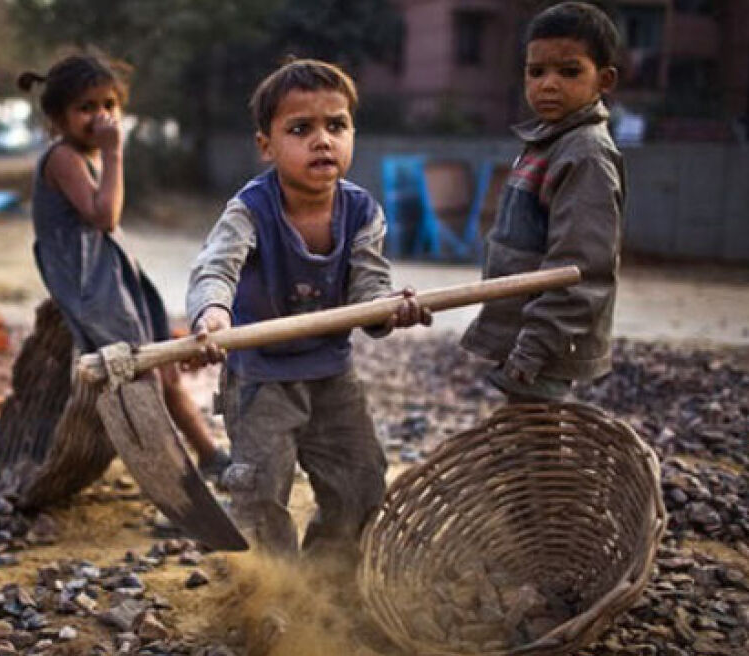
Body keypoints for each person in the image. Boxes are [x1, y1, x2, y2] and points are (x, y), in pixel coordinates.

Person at [186, 59, 429, 561]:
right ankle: (272, 594)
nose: (323, 140)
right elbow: (216, 267)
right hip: (260, 377)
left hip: (332, 376)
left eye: (336, 126)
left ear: (352, 133)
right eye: (301, 129)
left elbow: (369, 286)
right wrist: (213, 313)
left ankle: (327, 582)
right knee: (260, 490)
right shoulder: (250, 209)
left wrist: (386, 310)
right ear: (266, 146)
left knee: (359, 479)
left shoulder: (363, 211)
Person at [18, 53, 230, 478]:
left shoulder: (86, 154)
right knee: (140, 377)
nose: (101, 117)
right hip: (90, 288)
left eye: (109, 106)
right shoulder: (64, 158)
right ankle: (170, 470)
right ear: (58, 119)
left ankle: (208, 454)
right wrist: (115, 155)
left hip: (112, 278)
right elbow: (105, 215)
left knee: (163, 367)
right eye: (86, 108)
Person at [461, 1, 626, 403]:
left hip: (548, 346)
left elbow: (580, 269)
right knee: (523, 444)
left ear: (604, 80)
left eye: (569, 71)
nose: (548, 84)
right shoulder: (546, 143)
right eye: (536, 72)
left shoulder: (585, 154)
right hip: (526, 335)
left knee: (538, 448)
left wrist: (535, 346)